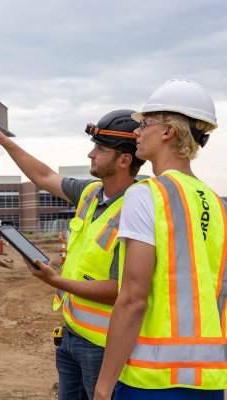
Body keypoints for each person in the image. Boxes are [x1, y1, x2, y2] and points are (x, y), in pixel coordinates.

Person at [0, 110, 145, 399]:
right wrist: (3, 141)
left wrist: (55, 281)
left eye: (100, 150)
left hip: (104, 346)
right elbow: (43, 176)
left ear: (124, 160)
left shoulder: (138, 209)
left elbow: (119, 291)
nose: (91, 154)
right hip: (71, 336)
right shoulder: (91, 193)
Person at [94, 79, 227, 400]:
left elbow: (133, 300)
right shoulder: (217, 204)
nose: (137, 132)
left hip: (151, 380)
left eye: (145, 124)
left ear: (168, 131)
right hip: (208, 379)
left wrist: (103, 386)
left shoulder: (147, 195)